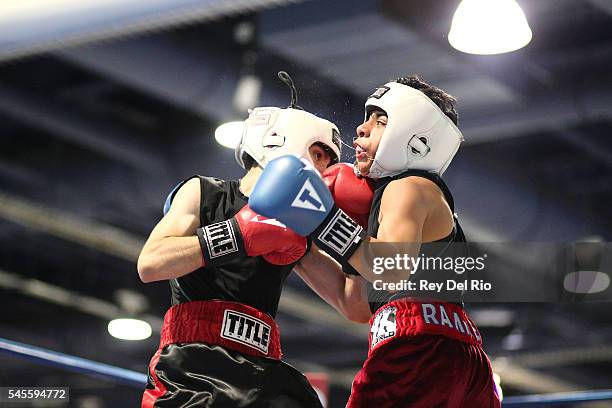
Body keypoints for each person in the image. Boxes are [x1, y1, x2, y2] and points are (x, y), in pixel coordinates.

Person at [251, 75, 502, 407]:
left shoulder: (409, 186)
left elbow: (391, 268)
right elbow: (354, 303)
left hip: (419, 350)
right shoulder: (394, 206)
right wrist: (300, 247)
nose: (361, 128)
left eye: (380, 120)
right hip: (458, 356)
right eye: (367, 116)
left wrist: (320, 217)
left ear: (417, 140)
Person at [137, 101, 343, 407]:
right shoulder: (205, 192)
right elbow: (151, 263)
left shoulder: (297, 225)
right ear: (280, 141)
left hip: (263, 374)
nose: (324, 170)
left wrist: (351, 234)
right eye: (318, 155)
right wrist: (238, 234)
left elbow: (354, 304)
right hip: (192, 371)